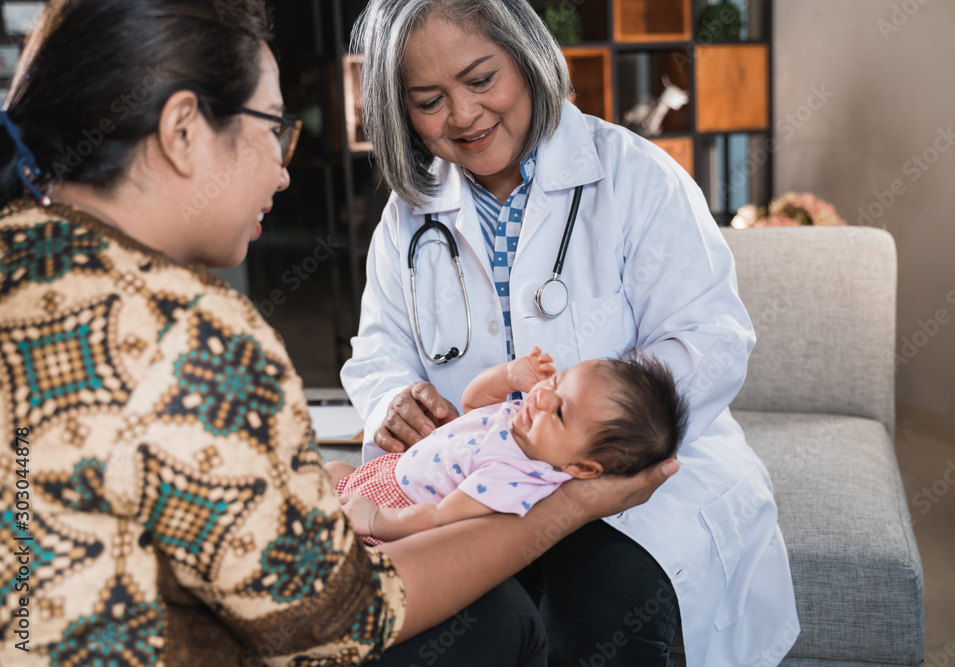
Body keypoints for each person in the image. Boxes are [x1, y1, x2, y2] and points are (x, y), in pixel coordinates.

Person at [0, 2, 678, 666]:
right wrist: (561, 506)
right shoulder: (195, 335)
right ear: (182, 130)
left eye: (478, 80)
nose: (284, 168)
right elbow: (337, 617)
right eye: (274, 129)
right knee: (496, 621)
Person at [341, 0, 801, 665]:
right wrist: (393, 399)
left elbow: (711, 338)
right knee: (447, 627)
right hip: (468, 482)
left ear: (525, 56)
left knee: (596, 610)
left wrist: (588, 435)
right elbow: (377, 348)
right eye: (428, 99)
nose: (464, 114)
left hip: (618, 485)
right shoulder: (408, 215)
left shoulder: (637, 176)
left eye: (480, 79)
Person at [329, 347, 687, 544]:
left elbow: (439, 519)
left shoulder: (516, 476)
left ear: (581, 469)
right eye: (559, 381)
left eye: (560, 413)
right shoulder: (523, 420)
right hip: (386, 476)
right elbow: (471, 403)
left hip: (397, 516)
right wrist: (508, 376)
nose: (545, 397)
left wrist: (376, 519)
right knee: (327, 473)